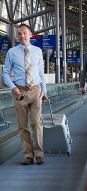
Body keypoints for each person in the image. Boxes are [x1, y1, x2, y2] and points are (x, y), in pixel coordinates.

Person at [3, 24, 48, 165]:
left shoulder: (38, 51)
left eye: (24, 33)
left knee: (36, 123)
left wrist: (44, 91)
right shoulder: (12, 52)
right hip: (19, 92)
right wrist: (13, 88)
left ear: (30, 34)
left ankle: (39, 154)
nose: (22, 36)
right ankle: (28, 155)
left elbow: (41, 73)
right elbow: (5, 73)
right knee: (23, 125)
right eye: (19, 34)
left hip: (36, 90)